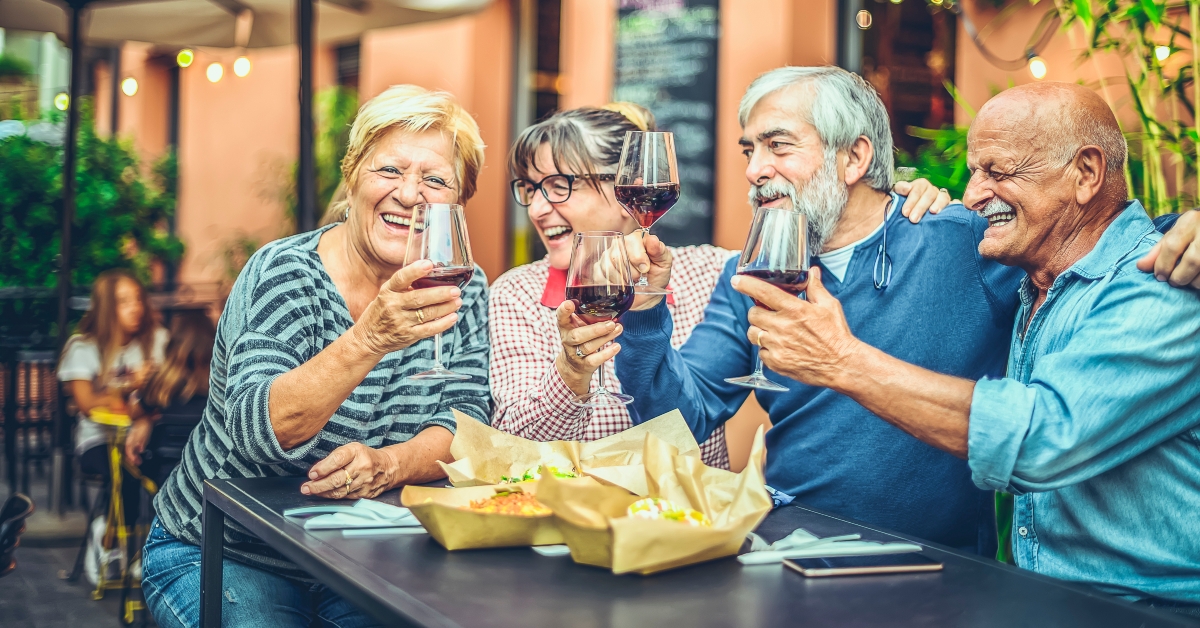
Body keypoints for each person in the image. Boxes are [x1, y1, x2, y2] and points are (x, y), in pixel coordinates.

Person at [612, 66, 1196, 555]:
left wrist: (1178, 236)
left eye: (777, 145)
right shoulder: (752, 271)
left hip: (941, 565)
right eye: (749, 149)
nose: (754, 169)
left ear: (854, 158)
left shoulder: (965, 241)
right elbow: (681, 424)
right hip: (790, 545)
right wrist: (641, 314)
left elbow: (1090, 247)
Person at [737, 82, 1200, 613]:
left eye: (998, 173)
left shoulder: (1164, 288)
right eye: (976, 173)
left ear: (1086, 173)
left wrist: (843, 360)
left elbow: (1040, 440)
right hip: (1040, 599)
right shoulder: (1034, 284)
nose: (974, 195)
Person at [143, 85, 492, 628]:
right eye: (390, 170)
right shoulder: (286, 272)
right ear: (352, 174)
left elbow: (466, 422)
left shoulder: (463, 289)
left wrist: (391, 464)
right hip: (225, 548)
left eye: (435, 179)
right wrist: (369, 337)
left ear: (460, 201)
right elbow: (261, 431)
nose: (410, 194)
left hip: (363, 554)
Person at [489, 102, 951, 467]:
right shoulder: (517, 295)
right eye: (530, 189)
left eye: (558, 185)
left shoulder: (717, 273)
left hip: (687, 534)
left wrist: (896, 204)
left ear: (624, 183)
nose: (538, 208)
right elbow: (509, 446)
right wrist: (571, 374)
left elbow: (835, 261)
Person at [58, 269, 168, 582]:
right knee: (125, 470)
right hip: (96, 441)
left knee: (170, 470)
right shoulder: (83, 347)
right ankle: (107, 541)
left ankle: (151, 550)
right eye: (124, 302)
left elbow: (161, 395)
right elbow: (86, 404)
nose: (136, 307)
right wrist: (129, 385)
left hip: (146, 436)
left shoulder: (157, 340)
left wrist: (142, 415)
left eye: (138, 299)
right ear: (107, 308)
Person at [124, 309, 215, 490]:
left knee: (127, 463)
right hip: (211, 477)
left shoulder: (160, 383)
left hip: (166, 477)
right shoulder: (221, 386)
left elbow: (133, 411)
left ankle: (126, 517)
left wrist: (145, 418)